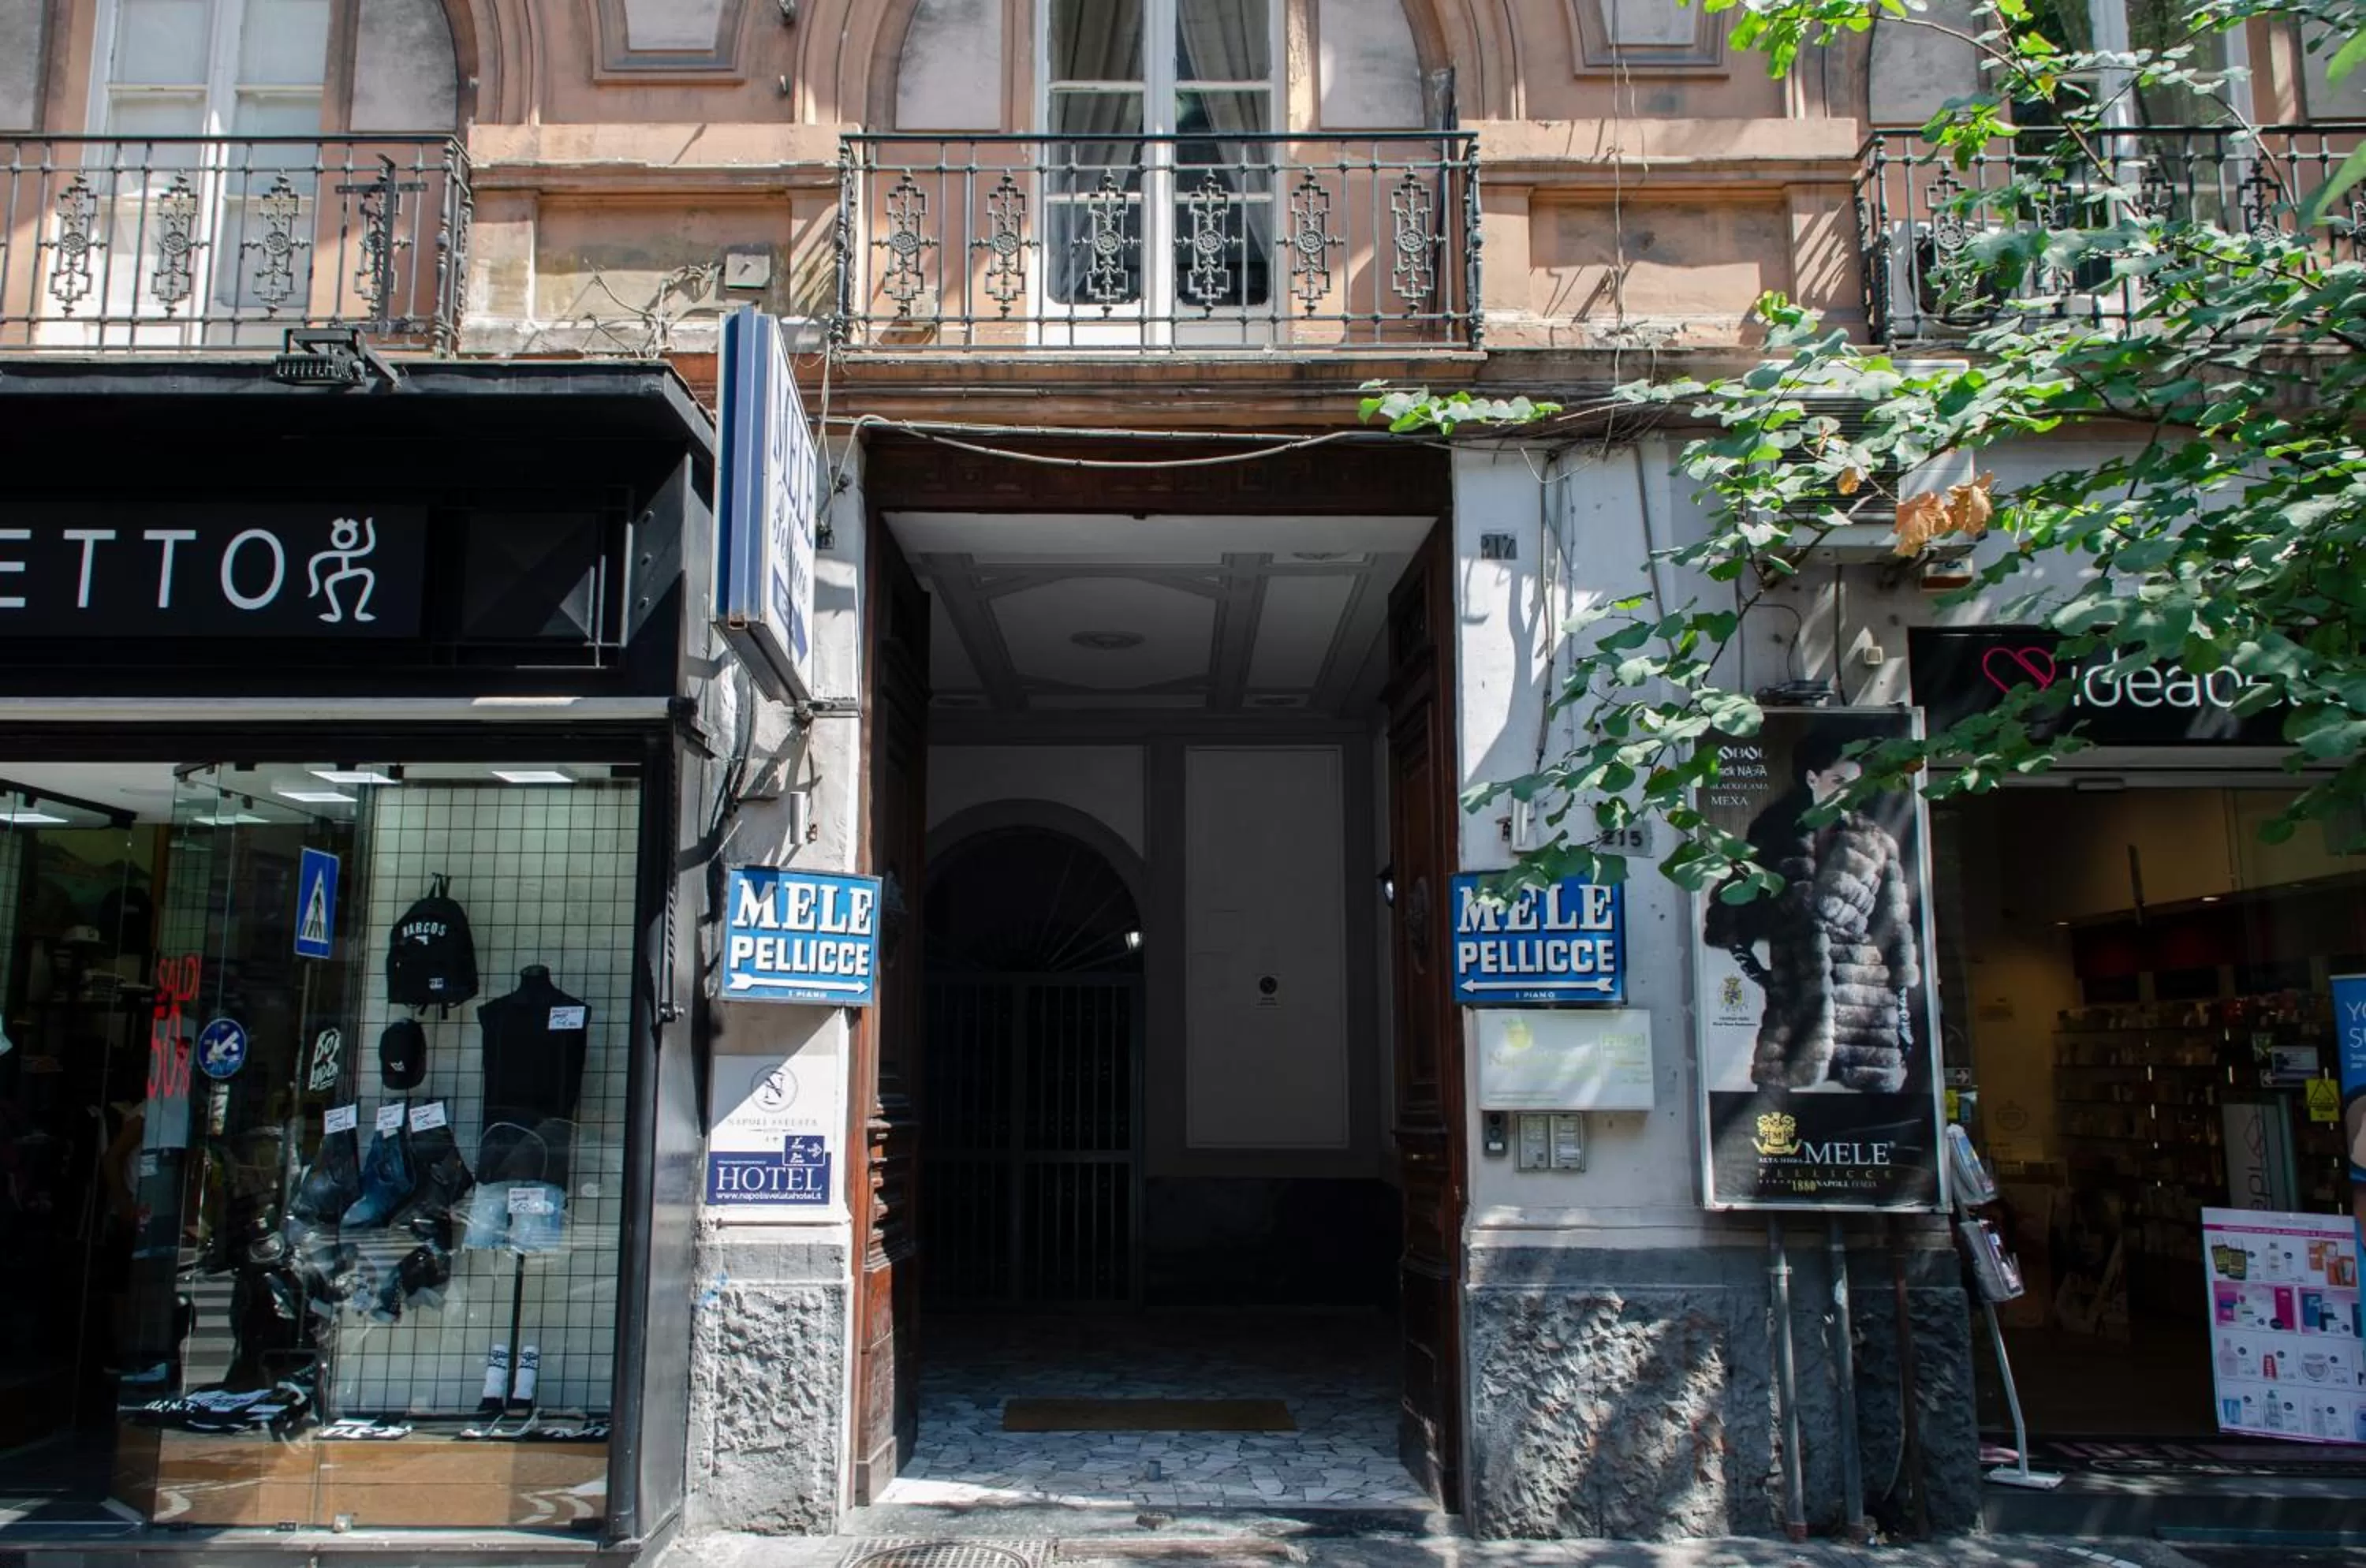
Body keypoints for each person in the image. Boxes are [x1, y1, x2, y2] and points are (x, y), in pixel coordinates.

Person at [1705, 730, 1920, 1092]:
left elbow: (1895, 926)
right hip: (1795, 997)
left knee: (1864, 1110)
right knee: (1777, 1101)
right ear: (1812, 778)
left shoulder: (1876, 843)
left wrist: (1901, 1009)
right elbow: (1731, 904)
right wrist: (1760, 972)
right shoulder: (1775, 834)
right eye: (1838, 781)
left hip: (1864, 1003)